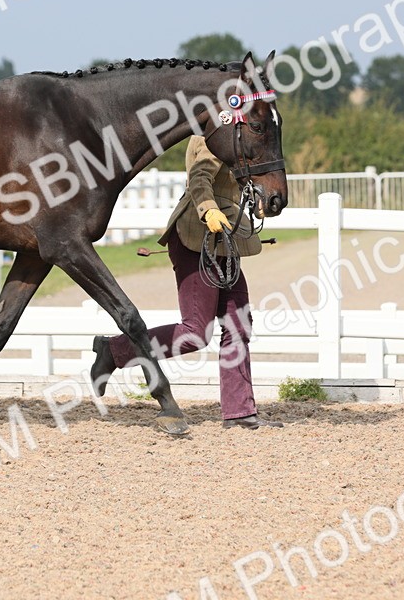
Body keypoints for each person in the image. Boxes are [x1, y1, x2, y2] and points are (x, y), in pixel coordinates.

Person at [89, 135, 281, 430]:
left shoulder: (242, 140)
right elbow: (199, 176)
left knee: (238, 324)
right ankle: (115, 350)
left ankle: (240, 412)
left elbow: (236, 178)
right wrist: (209, 209)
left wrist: (253, 199)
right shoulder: (212, 137)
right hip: (196, 237)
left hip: (225, 241)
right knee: (195, 332)